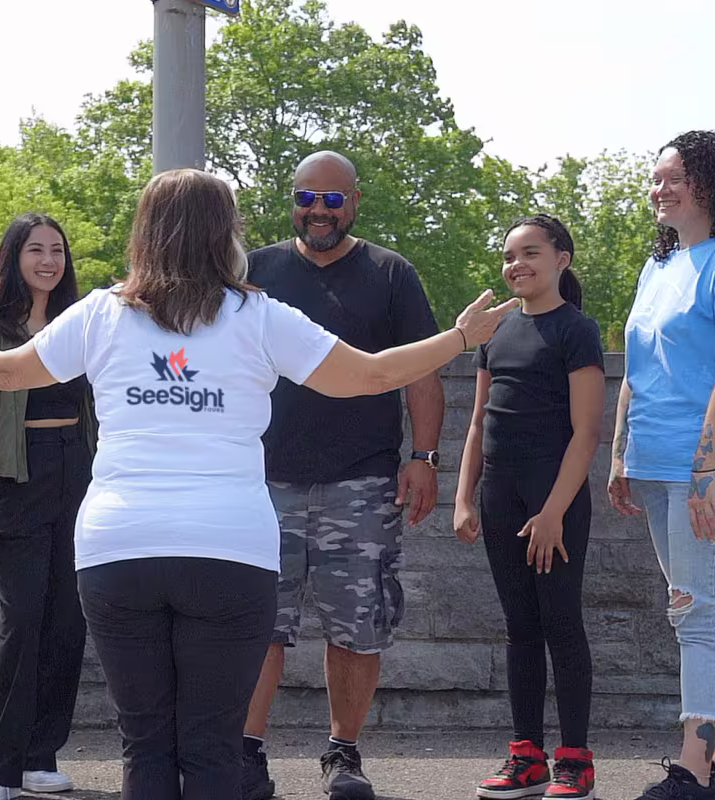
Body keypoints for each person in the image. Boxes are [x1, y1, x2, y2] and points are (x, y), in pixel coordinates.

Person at [0, 168, 516, 800]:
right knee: (213, 745)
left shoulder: (101, 314)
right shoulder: (259, 316)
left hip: (117, 551)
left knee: (146, 742)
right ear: (225, 233)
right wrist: (460, 338)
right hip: (229, 552)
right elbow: (372, 375)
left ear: (146, 232)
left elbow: (5, 369)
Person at [242, 150, 446, 800]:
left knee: (357, 625)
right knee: (257, 622)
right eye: (308, 198)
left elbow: (420, 372)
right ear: (292, 200)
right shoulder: (255, 272)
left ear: (353, 203)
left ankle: (344, 755)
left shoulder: (391, 273)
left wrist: (424, 458)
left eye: (332, 200)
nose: (318, 212)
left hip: (361, 482)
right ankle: (245, 754)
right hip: (263, 482)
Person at [608, 131, 715, 800]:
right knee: (710, 609)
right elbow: (638, 370)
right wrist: (622, 452)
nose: (660, 188)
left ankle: (694, 768)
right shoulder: (660, 268)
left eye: (674, 176)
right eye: (655, 178)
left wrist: (705, 469)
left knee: (697, 613)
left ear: (711, 182)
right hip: (655, 466)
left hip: (714, 470)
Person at [454, 215, 604, 800]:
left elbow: (587, 432)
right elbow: (476, 423)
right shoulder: (495, 332)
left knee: (561, 625)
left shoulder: (576, 330)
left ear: (561, 259)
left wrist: (552, 513)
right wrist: (463, 497)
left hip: (554, 499)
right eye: (509, 255)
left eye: (530, 253)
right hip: (500, 496)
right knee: (520, 629)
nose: (517, 264)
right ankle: (526, 757)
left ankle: (575, 762)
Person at [0, 214, 94, 800]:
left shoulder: (81, 323)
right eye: (36, 249)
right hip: (20, 474)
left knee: (70, 617)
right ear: (13, 257)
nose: (48, 260)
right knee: (24, 619)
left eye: (57, 250)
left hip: (80, 472)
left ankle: (42, 755)